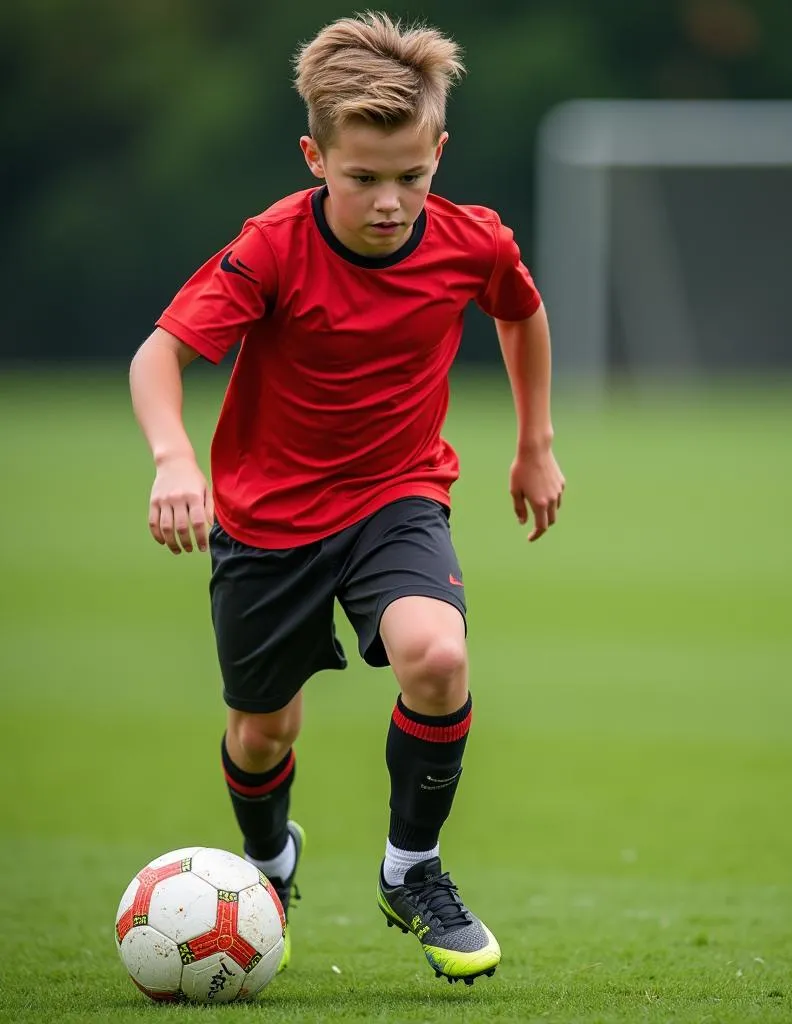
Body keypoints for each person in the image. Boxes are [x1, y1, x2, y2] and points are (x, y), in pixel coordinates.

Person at [128, 10, 564, 986]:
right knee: (263, 731)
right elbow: (160, 354)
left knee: (437, 656)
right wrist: (173, 459)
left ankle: (411, 868)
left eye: (411, 176)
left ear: (438, 152)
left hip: (395, 497)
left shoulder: (470, 241)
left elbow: (521, 312)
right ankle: (270, 863)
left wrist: (533, 443)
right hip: (265, 521)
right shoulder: (273, 248)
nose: (389, 202)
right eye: (362, 178)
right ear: (314, 156)